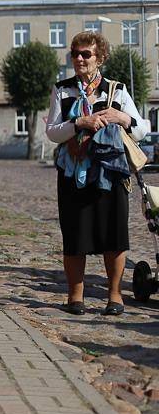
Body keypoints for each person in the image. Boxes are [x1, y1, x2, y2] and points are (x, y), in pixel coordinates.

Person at [46, 31, 149, 316]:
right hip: (73, 173)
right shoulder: (62, 90)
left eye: (86, 54)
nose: (79, 59)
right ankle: (75, 296)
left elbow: (141, 129)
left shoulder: (116, 90)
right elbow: (52, 132)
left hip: (111, 172)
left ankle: (115, 296)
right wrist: (80, 122)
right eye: (75, 54)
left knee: (114, 234)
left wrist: (121, 117)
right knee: (75, 233)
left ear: (100, 58)